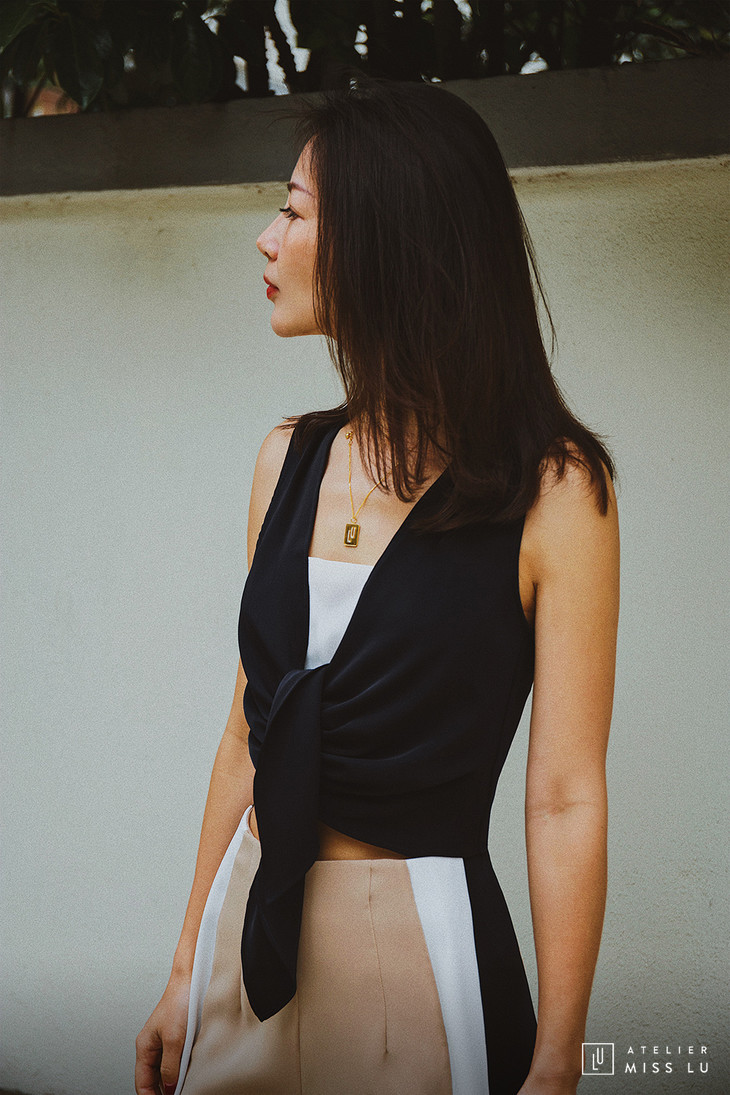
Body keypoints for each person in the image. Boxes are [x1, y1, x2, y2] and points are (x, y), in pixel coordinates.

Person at [135, 77, 619, 1095]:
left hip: (417, 948)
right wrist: (184, 967)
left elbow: (565, 796)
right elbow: (247, 734)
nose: (267, 239)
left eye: (294, 212)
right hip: (247, 928)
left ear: (385, 242)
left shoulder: (555, 491)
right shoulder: (285, 459)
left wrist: (557, 1060)